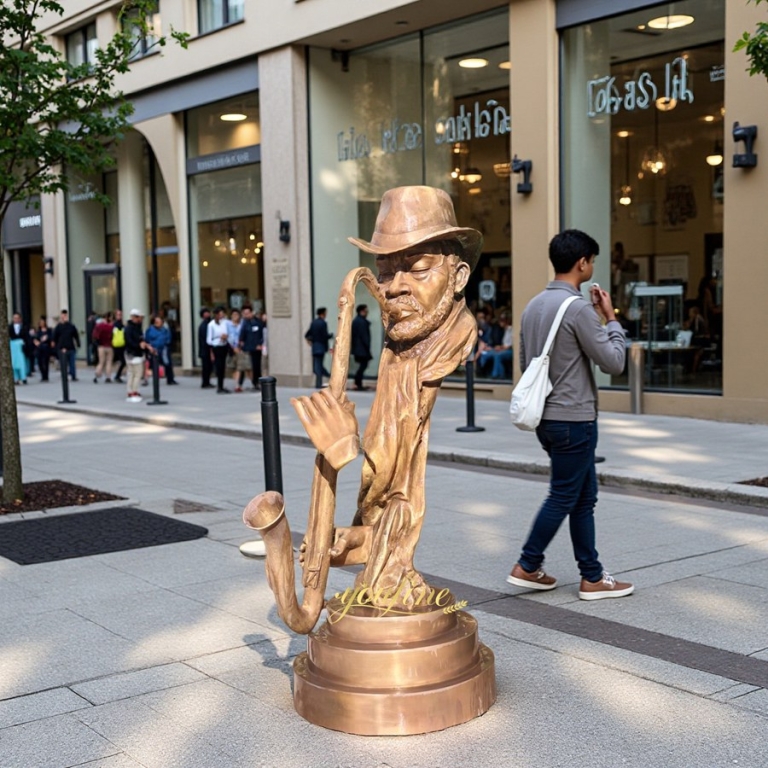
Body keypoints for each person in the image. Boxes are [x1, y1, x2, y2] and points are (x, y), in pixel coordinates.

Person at [291, 185, 481, 609]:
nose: (394, 288)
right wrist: (356, 539)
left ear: (458, 278)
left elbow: (399, 480)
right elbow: (390, 483)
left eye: (417, 269)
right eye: (384, 270)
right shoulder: (398, 350)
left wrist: (346, 451)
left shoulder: (450, 337)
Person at [507, 229, 633, 601]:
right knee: (564, 496)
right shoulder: (578, 309)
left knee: (582, 496)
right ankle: (528, 564)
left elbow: (525, 364)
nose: (592, 266)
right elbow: (614, 362)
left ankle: (592, 576)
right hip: (574, 419)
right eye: (592, 260)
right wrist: (610, 319)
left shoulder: (532, 306)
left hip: (546, 419)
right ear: (582, 263)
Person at [124, 309, 154, 402]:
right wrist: (140, 345)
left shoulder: (132, 327)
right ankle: (134, 391)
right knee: (137, 374)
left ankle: (130, 391)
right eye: (138, 317)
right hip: (134, 353)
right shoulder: (132, 328)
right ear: (133, 317)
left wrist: (144, 345)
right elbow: (131, 341)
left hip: (131, 353)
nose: (140, 319)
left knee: (131, 373)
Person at [305, 307, 332, 389]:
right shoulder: (323, 323)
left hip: (315, 347)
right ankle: (327, 378)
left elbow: (307, 334)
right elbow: (325, 336)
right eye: (325, 313)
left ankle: (320, 382)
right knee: (318, 366)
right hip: (321, 347)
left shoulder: (313, 323)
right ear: (322, 314)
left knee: (317, 365)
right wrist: (330, 335)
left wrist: (310, 340)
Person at [239, 305, 264, 391]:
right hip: (247, 348)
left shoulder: (257, 322)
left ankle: (257, 383)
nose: (246, 315)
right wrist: (241, 344)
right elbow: (242, 336)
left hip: (256, 348)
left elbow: (261, 334)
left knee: (256, 366)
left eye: (248, 313)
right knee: (246, 367)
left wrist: (260, 344)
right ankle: (241, 384)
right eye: (244, 313)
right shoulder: (244, 323)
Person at [207, 306, 231, 393]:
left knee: (223, 366)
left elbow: (230, 330)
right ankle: (219, 386)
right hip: (217, 347)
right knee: (219, 366)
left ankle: (222, 385)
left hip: (224, 345)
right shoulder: (211, 325)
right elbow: (209, 340)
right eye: (220, 314)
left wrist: (226, 337)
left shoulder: (225, 322)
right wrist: (218, 338)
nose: (222, 315)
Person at [51, 309, 80, 381]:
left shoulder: (71, 326)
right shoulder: (58, 327)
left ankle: (73, 375)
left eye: (65, 315)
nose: (64, 317)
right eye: (63, 315)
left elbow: (76, 335)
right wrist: (54, 344)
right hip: (61, 347)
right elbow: (54, 337)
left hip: (70, 347)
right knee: (63, 363)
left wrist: (78, 343)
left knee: (72, 363)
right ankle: (64, 375)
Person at [351, 303, 372, 390]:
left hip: (359, 348)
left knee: (362, 365)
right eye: (366, 311)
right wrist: (367, 347)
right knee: (363, 365)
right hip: (361, 348)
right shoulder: (361, 322)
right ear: (361, 311)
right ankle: (357, 383)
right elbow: (364, 336)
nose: (367, 313)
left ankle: (358, 382)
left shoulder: (357, 321)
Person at [145, 315, 172, 382]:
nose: (159, 323)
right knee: (153, 364)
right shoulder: (150, 330)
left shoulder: (164, 330)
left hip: (163, 349)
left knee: (167, 363)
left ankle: (170, 379)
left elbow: (168, 338)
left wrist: (166, 343)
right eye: (157, 321)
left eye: (160, 321)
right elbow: (147, 339)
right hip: (154, 349)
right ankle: (151, 379)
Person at [92, 313, 114, 383]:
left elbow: (95, 336)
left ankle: (97, 375)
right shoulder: (111, 327)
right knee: (109, 362)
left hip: (101, 346)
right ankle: (108, 377)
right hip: (109, 346)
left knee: (101, 362)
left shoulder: (99, 326)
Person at [8, 312, 31, 384]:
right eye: (15, 318)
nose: (16, 319)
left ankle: (23, 377)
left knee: (22, 362)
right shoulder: (10, 327)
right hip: (13, 346)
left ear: (20, 319)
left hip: (21, 346)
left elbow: (27, 337)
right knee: (13, 363)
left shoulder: (24, 327)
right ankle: (16, 378)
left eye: (17, 318)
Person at [226, 308, 244, 391]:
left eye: (236, 315)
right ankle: (237, 383)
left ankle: (237, 385)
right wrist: (233, 347)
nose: (235, 317)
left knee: (239, 367)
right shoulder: (228, 325)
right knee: (233, 367)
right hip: (231, 348)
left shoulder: (242, 325)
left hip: (240, 348)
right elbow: (228, 337)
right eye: (233, 315)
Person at [198, 307, 214, 389]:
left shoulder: (208, 324)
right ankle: (205, 382)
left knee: (208, 367)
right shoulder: (204, 325)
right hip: (205, 350)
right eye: (206, 313)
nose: (208, 314)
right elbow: (206, 339)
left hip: (206, 350)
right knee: (206, 367)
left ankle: (207, 381)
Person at [33, 316, 52, 382]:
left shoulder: (49, 330)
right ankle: (43, 376)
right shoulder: (38, 331)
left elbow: (51, 338)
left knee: (46, 362)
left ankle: (46, 376)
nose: (42, 324)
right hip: (39, 348)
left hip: (46, 348)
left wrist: (47, 338)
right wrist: (36, 342)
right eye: (40, 323)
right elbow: (34, 338)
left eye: (43, 322)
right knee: (40, 362)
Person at [112, 309, 126, 383]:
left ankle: (118, 375)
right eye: (118, 315)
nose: (120, 316)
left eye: (120, 315)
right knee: (122, 361)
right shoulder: (117, 324)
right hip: (118, 345)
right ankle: (118, 375)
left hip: (120, 345)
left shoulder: (118, 324)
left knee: (121, 361)